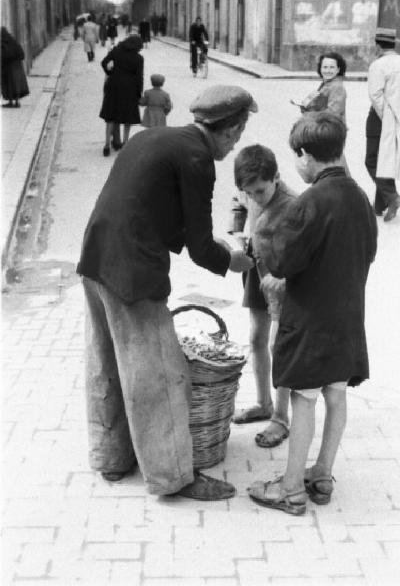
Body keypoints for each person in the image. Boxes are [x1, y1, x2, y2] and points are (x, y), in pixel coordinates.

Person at [76, 84, 257, 500]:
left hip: (95, 255)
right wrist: (233, 262)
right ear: (230, 131)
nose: (234, 146)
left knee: (105, 360)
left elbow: (150, 204)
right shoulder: (196, 158)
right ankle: (174, 477)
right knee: (160, 373)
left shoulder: (151, 137)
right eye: (237, 136)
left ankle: (112, 457)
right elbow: (198, 243)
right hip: (132, 271)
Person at [247, 112, 377, 515]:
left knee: (303, 400)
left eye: (296, 158)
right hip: (348, 316)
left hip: (310, 320)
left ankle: (289, 490)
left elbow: (283, 259)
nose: (297, 167)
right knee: (335, 395)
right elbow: (366, 253)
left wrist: (262, 250)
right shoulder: (359, 197)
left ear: (305, 154)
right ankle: (321, 474)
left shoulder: (310, 202)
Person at [229, 145, 296, 449]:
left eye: (260, 191)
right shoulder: (248, 190)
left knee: (277, 345)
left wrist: (282, 279)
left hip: (282, 280)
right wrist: (236, 230)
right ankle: (263, 403)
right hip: (256, 272)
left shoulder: (294, 205)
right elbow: (238, 202)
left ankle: (281, 419)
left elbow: (304, 252)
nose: (255, 197)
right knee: (257, 339)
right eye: (250, 192)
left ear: (277, 178)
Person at [292, 52, 349, 173]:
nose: (328, 70)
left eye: (332, 67)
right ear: (320, 68)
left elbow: (333, 114)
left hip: (331, 133)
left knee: (334, 166)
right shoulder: (327, 83)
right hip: (324, 131)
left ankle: (346, 189)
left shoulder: (337, 87)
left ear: (339, 69)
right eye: (325, 67)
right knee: (332, 166)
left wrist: (311, 114)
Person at [365, 27, 400, 222]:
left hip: (381, 118)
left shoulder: (378, 65)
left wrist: (385, 116)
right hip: (396, 116)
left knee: (371, 160)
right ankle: (379, 206)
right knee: (384, 159)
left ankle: (392, 197)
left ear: (378, 46)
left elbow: (375, 94)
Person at [99, 34, 144, 156]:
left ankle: (107, 145)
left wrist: (110, 71)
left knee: (111, 117)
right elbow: (139, 78)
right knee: (127, 118)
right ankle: (125, 143)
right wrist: (139, 93)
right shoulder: (138, 58)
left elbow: (104, 62)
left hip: (113, 85)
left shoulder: (116, 51)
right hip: (129, 89)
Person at [1, 27, 29, 108]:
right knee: (15, 85)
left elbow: (5, 55)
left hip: (9, 67)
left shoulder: (3, 43)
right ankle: (16, 102)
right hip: (17, 67)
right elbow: (21, 54)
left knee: (9, 84)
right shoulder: (13, 40)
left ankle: (11, 102)